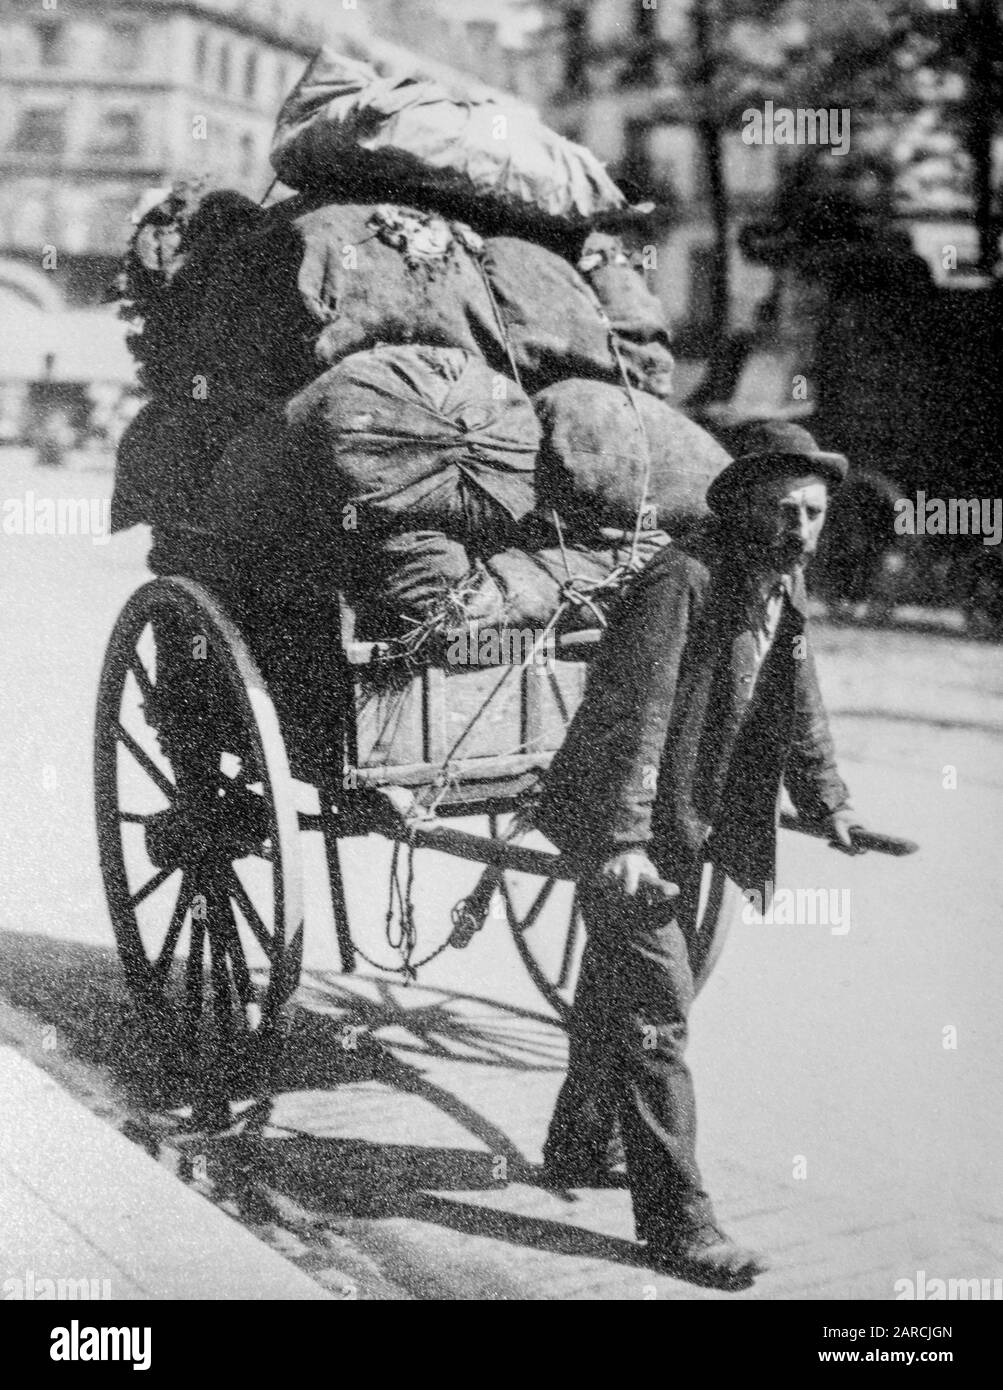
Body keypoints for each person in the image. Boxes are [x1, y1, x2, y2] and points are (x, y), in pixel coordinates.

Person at [534, 419, 864, 1289]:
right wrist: (622, 842)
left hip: (684, 826)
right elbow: (630, 714)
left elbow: (797, 702)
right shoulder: (680, 581)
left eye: (814, 514)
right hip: (623, 824)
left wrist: (828, 802)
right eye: (784, 511)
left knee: (620, 982)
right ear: (744, 507)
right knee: (658, 1011)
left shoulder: (776, 592)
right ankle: (680, 1225)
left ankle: (576, 1144)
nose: (799, 531)